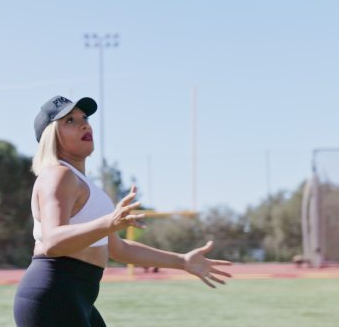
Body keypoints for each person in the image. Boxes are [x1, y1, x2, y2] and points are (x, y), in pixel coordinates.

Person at [13, 95, 232, 327]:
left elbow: (118, 249)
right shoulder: (59, 175)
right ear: (52, 136)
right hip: (54, 296)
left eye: (84, 117)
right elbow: (53, 242)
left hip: (74, 298)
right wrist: (109, 222)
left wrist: (182, 261)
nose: (85, 124)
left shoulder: (78, 180)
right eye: (70, 121)